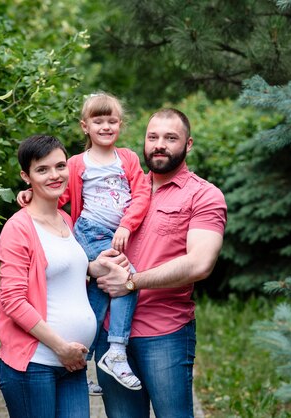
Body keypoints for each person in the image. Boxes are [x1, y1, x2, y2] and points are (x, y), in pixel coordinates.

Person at [93, 108, 227, 418]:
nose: (159, 145)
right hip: (111, 334)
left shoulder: (204, 196)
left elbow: (200, 264)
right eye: (153, 137)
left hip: (164, 333)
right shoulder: (121, 189)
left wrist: (131, 282)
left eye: (170, 138)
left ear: (188, 144)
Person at [18, 92, 151, 394]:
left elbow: (142, 194)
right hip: (90, 232)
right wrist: (31, 195)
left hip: (117, 232)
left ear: (120, 124)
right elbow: (59, 194)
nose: (106, 126)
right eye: (98, 121)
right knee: (126, 278)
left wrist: (127, 225)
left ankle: (82, 356)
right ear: (85, 126)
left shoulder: (127, 158)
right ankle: (116, 350)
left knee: (100, 291)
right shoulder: (77, 163)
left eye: (112, 121)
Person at [0, 134, 96, 418]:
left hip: (72, 363)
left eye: (60, 166)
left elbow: (67, 275)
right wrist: (61, 347)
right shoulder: (18, 229)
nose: (55, 175)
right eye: (42, 169)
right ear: (26, 176)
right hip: (34, 365)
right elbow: (12, 301)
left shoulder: (66, 219)